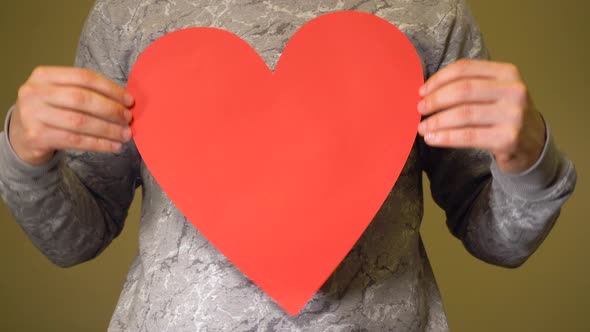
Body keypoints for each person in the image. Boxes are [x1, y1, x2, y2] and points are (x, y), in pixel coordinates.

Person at [0, 0, 576, 331]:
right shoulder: (130, 14)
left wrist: (528, 156)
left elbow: (498, 241)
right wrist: (26, 155)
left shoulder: (429, 12)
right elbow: (76, 238)